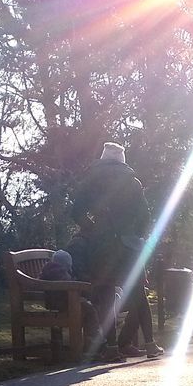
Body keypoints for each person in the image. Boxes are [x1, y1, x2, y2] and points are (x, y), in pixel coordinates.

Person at [71, 142, 163, 359]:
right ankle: (150, 344)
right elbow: (145, 216)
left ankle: (111, 348)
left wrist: (91, 227)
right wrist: (135, 234)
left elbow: (76, 211)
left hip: (102, 245)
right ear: (123, 160)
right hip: (129, 245)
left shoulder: (91, 181)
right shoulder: (133, 183)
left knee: (106, 295)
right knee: (139, 293)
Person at [39, 248, 105, 354]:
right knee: (89, 309)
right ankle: (93, 342)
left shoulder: (52, 270)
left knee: (90, 308)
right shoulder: (57, 272)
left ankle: (92, 343)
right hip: (62, 303)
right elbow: (66, 285)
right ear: (66, 264)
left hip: (60, 302)